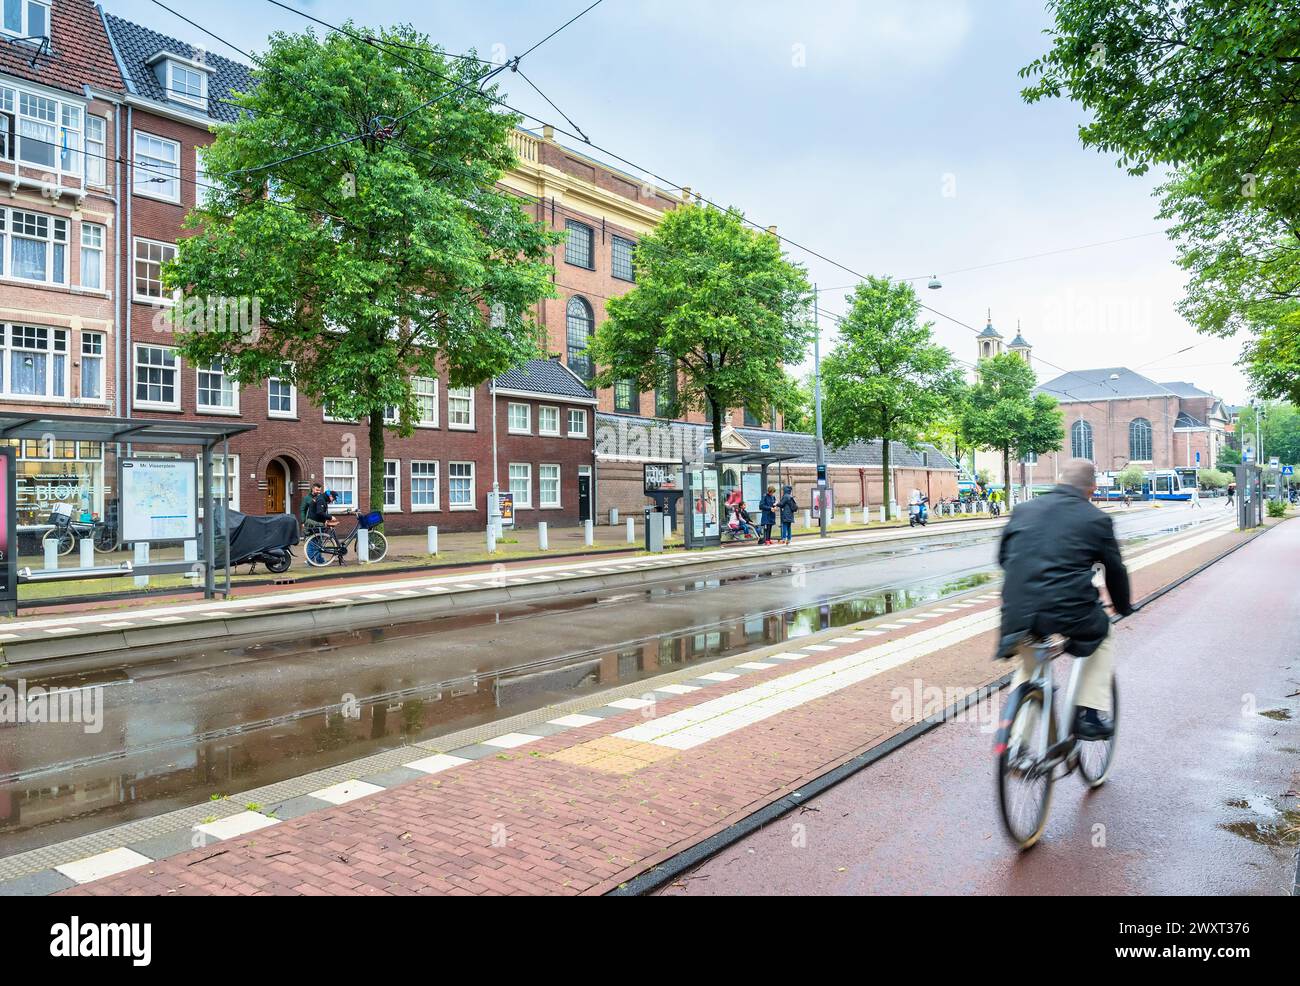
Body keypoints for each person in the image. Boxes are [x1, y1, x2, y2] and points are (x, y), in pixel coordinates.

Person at [996, 458, 1132, 740]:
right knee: (1104, 634)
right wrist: (1123, 606)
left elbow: (1002, 559)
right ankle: (1090, 716)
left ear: (1059, 481)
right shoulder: (1095, 518)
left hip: (1017, 611)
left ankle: (1015, 745)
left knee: (1030, 663)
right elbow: (1115, 571)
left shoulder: (1023, 510)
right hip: (1069, 612)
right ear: (1092, 489)